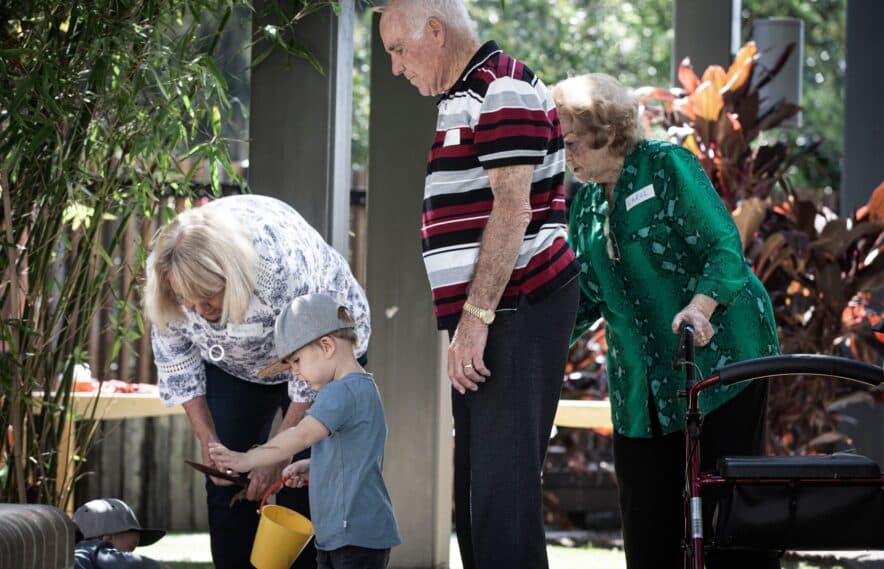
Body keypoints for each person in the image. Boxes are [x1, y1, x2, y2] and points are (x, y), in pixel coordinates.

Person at [378, 3, 580, 568]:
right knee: (476, 495)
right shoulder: (462, 96)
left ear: (435, 31)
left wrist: (477, 317)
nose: (395, 67)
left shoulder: (501, 88)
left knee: (501, 496)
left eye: (398, 50)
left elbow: (514, 210)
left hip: (516, 305)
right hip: (497, 312)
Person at [551, 73, 781, 569]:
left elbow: (724, 247)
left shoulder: (665, 166)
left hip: (723, 362)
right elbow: (584, 296)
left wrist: (700, 307)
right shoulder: (586, 204)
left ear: (606, 132)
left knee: (729, 517)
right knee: (646, 517)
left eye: (570, 142)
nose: (564, 155)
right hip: (643, 388)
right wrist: (535, 345)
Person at [143, 194, 370, 569]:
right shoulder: (166, 274)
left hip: (323, 351)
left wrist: (277, 453)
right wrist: (209, 440)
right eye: (187, 301)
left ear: (230, 276)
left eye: (207, 298)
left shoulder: (279, 270)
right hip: (236, 361)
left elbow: (312, 373)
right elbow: (177, 362)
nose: (198, 311)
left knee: (302, 479)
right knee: (228, 475)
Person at [209, 293, 401, 569]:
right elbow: (355, 455)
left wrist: (246, 459)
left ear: (326, 346)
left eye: (296, 361)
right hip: (346, 534)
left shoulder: (339, 392)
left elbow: (300, 435)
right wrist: (315, 466)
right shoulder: (362, 387)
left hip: (352, 536)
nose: (295, 372)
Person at [72, 498, 168, 569]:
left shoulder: (74, 553)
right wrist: (157, 567)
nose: (130, 554)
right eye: (129, 549)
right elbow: (129, 563)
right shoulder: (95, 550)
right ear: (107, 538)